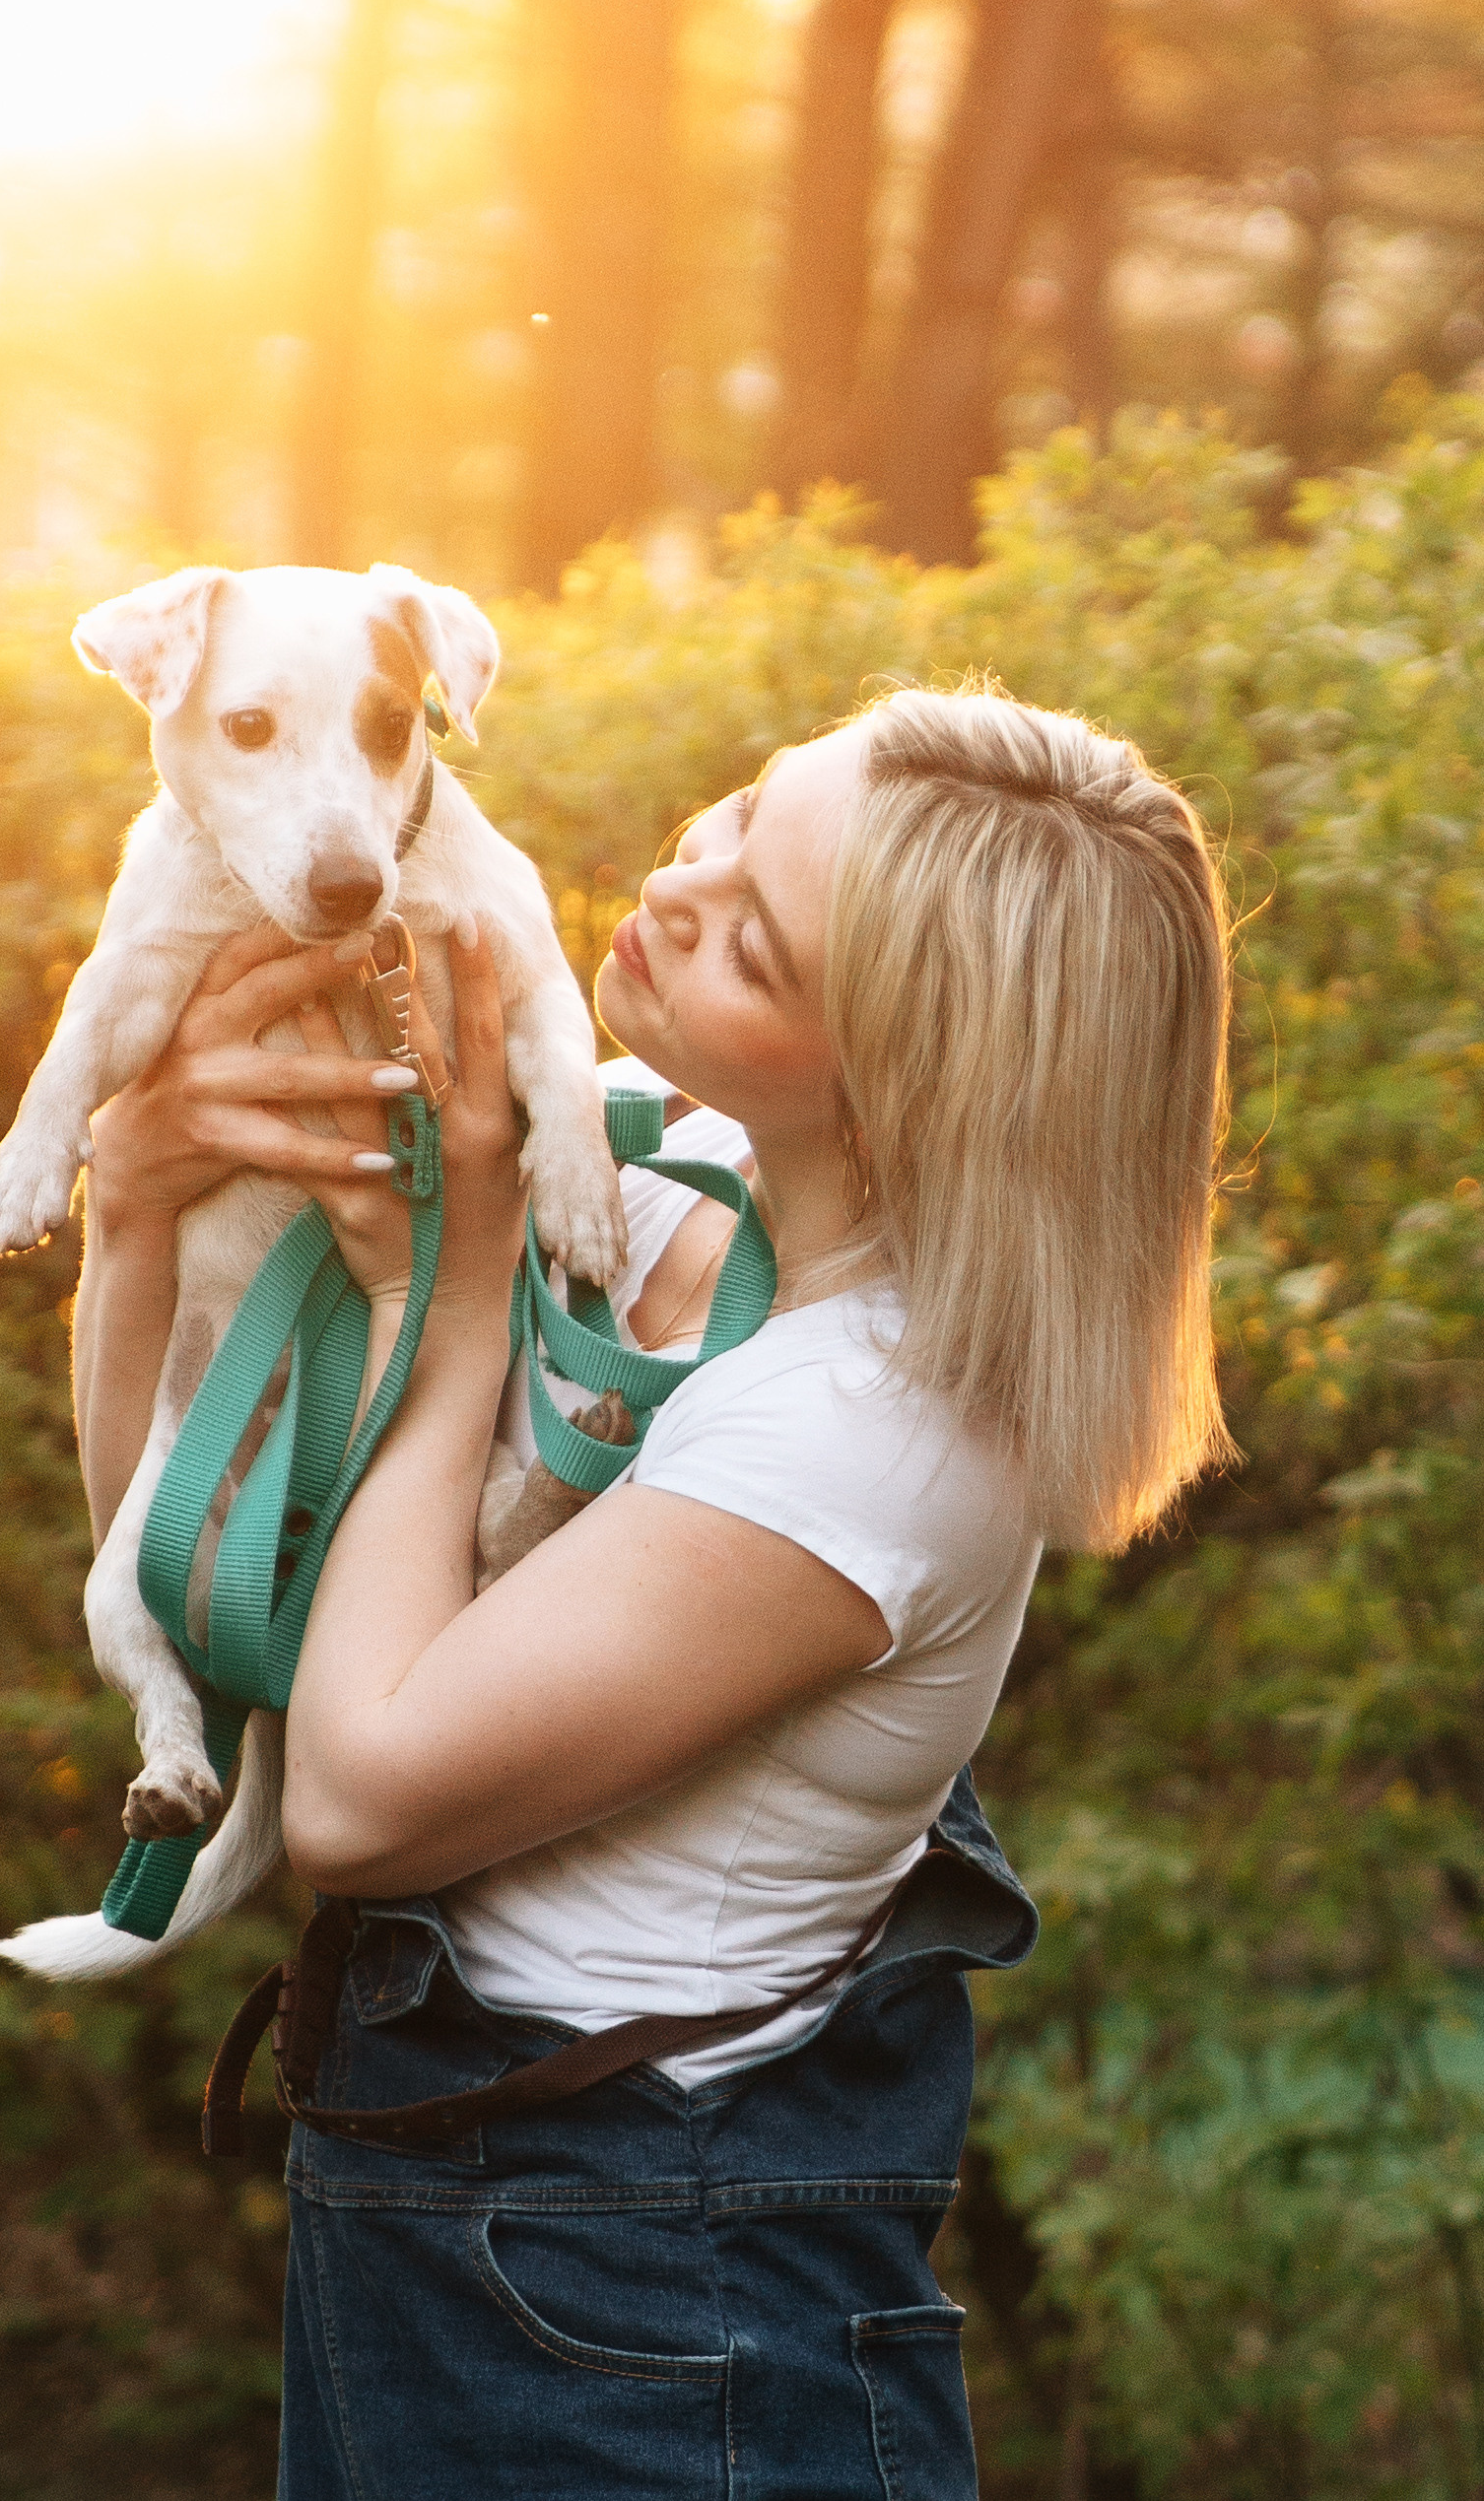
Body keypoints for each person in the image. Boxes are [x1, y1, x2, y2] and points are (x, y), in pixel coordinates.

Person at [73, 685, 1233, 2501]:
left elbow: (361, 1798)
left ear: (910, 1077)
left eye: (754, 941)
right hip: (462, 2241)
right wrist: (134, 1191)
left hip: (652, 2322)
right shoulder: (653, 1161)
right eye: (735, 812)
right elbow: (202, 1540)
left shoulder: (881, 1427)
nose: (678, 887)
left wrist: (434, 1319)